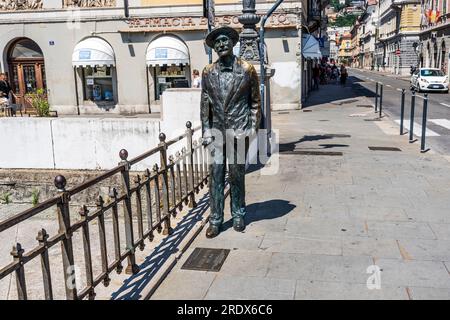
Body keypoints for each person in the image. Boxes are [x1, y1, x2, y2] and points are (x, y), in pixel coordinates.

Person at [200, 26, 261, 238]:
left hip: (238, 131)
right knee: (215, 176)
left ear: (233, 43)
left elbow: (255, 102)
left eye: (225, 40)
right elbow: (205, 103)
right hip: (216, 132)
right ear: (213, 47)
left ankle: (238, 214)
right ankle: (215, 219)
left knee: (237, 175)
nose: (221, 44)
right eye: (217, 42)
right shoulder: (208, 72)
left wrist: (252, 129)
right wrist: (206, 129)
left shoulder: (247, 69)